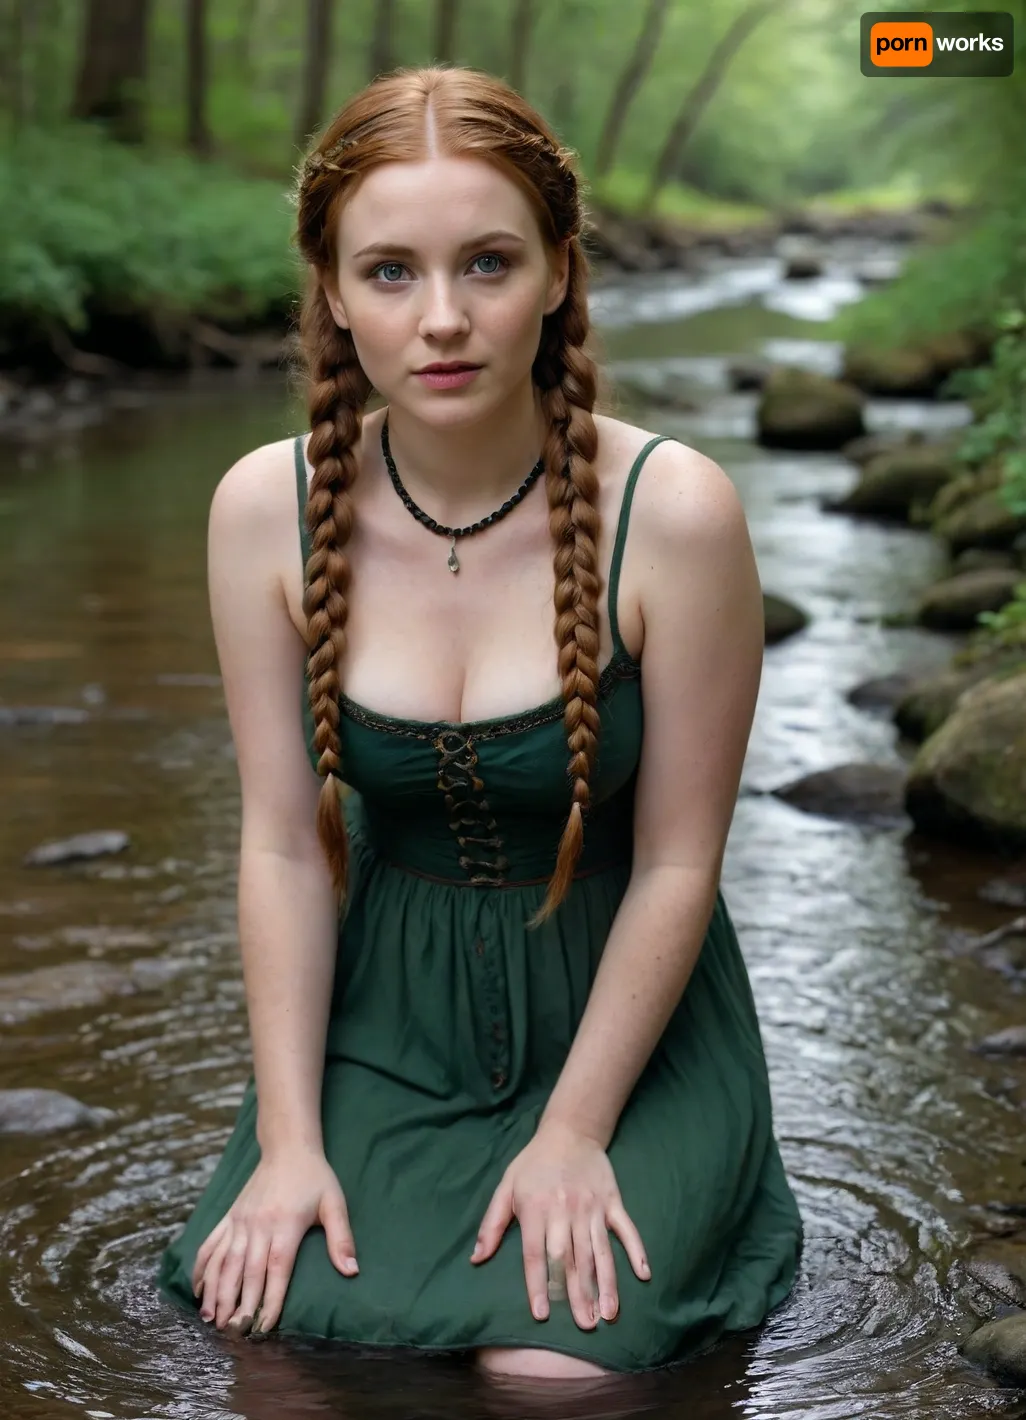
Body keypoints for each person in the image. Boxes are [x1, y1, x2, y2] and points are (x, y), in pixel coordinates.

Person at [156, 62, 802, 1379]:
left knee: (555, 1373)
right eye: (390, 271)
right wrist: (288, 1145)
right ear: (331, 290)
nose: (441, 319)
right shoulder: (261, 512)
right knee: (267, 1331)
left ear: (559, 271)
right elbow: (283, 845)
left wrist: (571, 1135)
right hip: (383, 1014)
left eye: (488, 263)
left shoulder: (671, 515)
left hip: (623, 1011)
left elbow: (681, 861)